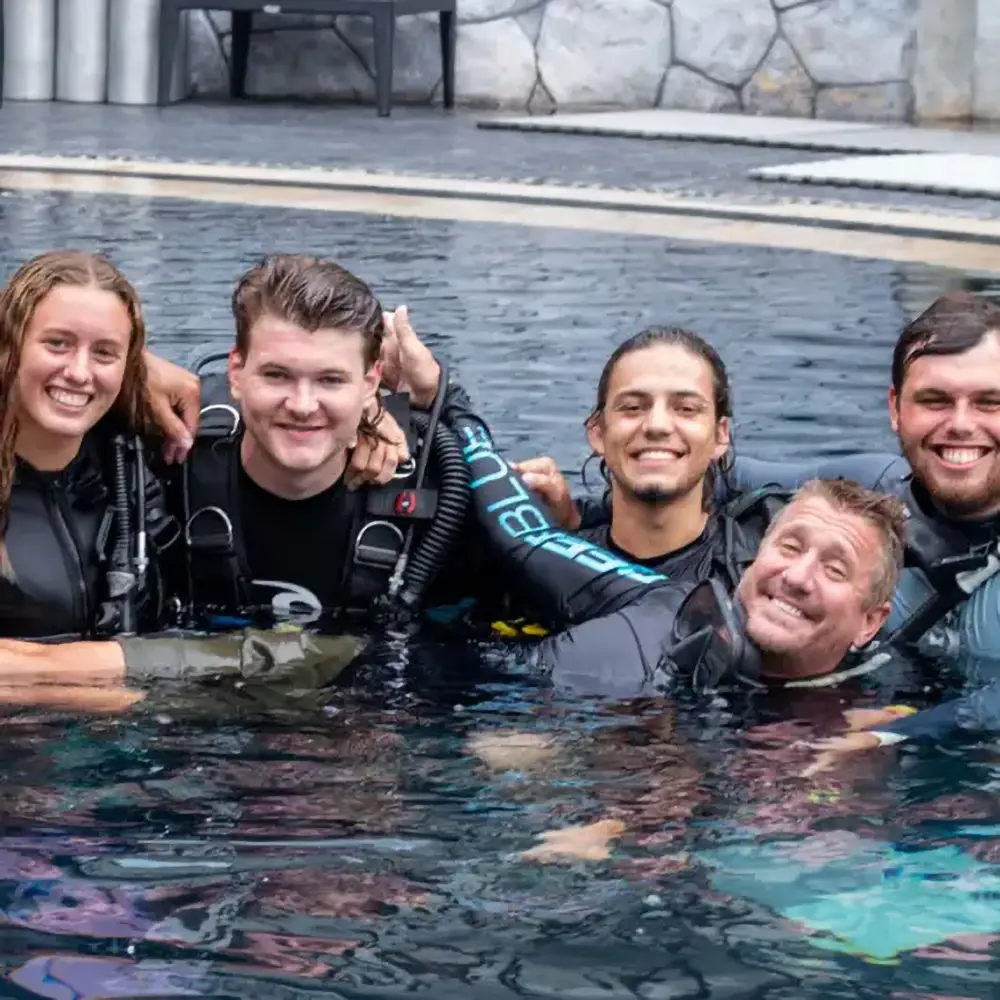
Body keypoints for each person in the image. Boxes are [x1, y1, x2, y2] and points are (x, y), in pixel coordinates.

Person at [456, 400, 907, 700]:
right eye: (789, 547)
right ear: (754, 556)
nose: (796, 576)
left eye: (834, 569)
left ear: (871, 622)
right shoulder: (668, 612)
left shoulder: (868, 724)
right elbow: (531, 543)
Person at [0, 249, 176, 642]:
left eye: (104, 353)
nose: (79, 373)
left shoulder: (137, 457)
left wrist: (348, 427)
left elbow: (277, 416)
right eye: (58, 343)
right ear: (8, 346)